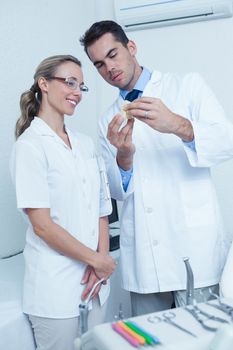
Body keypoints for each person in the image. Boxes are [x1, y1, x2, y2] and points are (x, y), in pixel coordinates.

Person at [80, 20, 233, 316]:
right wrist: (124, 156)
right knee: (149, 343)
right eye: (99, 64)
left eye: (113, 55)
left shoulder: (186, 85)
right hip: (145, 256)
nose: (109, 68)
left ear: (131, 47)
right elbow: (114, 191)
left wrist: (178, 124)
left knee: (203, 338)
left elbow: (227, 141)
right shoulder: (107, 120)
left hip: (194, 247)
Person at [10, 54, 116, 350]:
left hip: (95, 284)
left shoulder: (85, 144)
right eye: (69, 82)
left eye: (81, 86)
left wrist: (102, 262)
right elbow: (42, 226)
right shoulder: (30, 146)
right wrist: (96, 260)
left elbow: (101, 207)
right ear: (43, 83)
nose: (76, 93)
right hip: (55, 291)